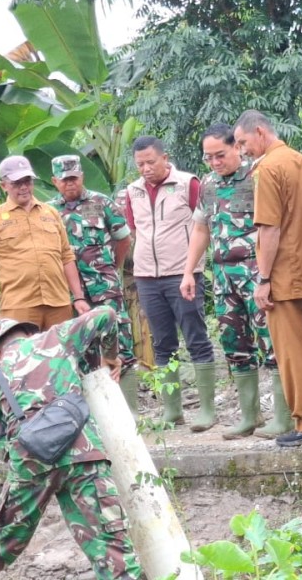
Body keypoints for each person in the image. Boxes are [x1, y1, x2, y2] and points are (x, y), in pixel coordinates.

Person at [0, 306, 142, 580]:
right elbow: (108, 315)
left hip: (30, 462)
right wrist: (110, 358)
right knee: (111, 549)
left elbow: (3, 449)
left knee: (2, 537)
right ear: (28, 332)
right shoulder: (57, 337)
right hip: (83, 454)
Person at [232, 110, 302, 447]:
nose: (242, 151)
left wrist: (263, 278)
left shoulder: (267, 168)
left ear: (261, 132)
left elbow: (269, 227)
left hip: (285, 272)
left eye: (243, 142)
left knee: (292, 349)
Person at [180, 123, 293, 441]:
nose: (215, 163)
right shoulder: (208, 184)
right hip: (224, 277)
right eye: (208, 158)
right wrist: (189, 271)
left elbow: (276, 225)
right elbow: (201, 228)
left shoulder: (258, 176)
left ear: (236, 148)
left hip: (257, 275)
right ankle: (249, 416)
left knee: (271, 343)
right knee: (234, 345)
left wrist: (269, 276)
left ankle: (283, 417)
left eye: (220, 155)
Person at [123, 136, 217, 431]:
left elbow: (203, 225)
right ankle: (172, 412)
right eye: (140, 164)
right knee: (162, 343)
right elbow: (134, 230)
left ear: (166, 158)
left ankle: (207, 411)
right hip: (148, 276)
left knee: (196, 338)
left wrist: (191, 269)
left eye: (151, 162)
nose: (146, 169)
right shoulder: (132, 191)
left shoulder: (188, 184)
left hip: (183, 274)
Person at [49, 155, 138, 414]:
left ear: (82, 176)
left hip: (105, 286)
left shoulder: (102, 203)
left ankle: (129, 413)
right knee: (81, 348)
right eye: (65, 180)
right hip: (68, 294)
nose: (70, 184)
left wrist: (111, 268)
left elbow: (123, 239)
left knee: (121, 343)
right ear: (55, 181)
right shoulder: (48, 211)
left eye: (74, 178)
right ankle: (96, 413)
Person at [0, 155, 90, 330]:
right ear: (4, 185)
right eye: (16, 183)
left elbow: (67, 257)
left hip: (58, 304)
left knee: (59, 356)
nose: (24, 187)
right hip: (19, 306)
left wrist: (79, 297)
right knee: (23, 356)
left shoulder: (51, 213)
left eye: (27, 181)